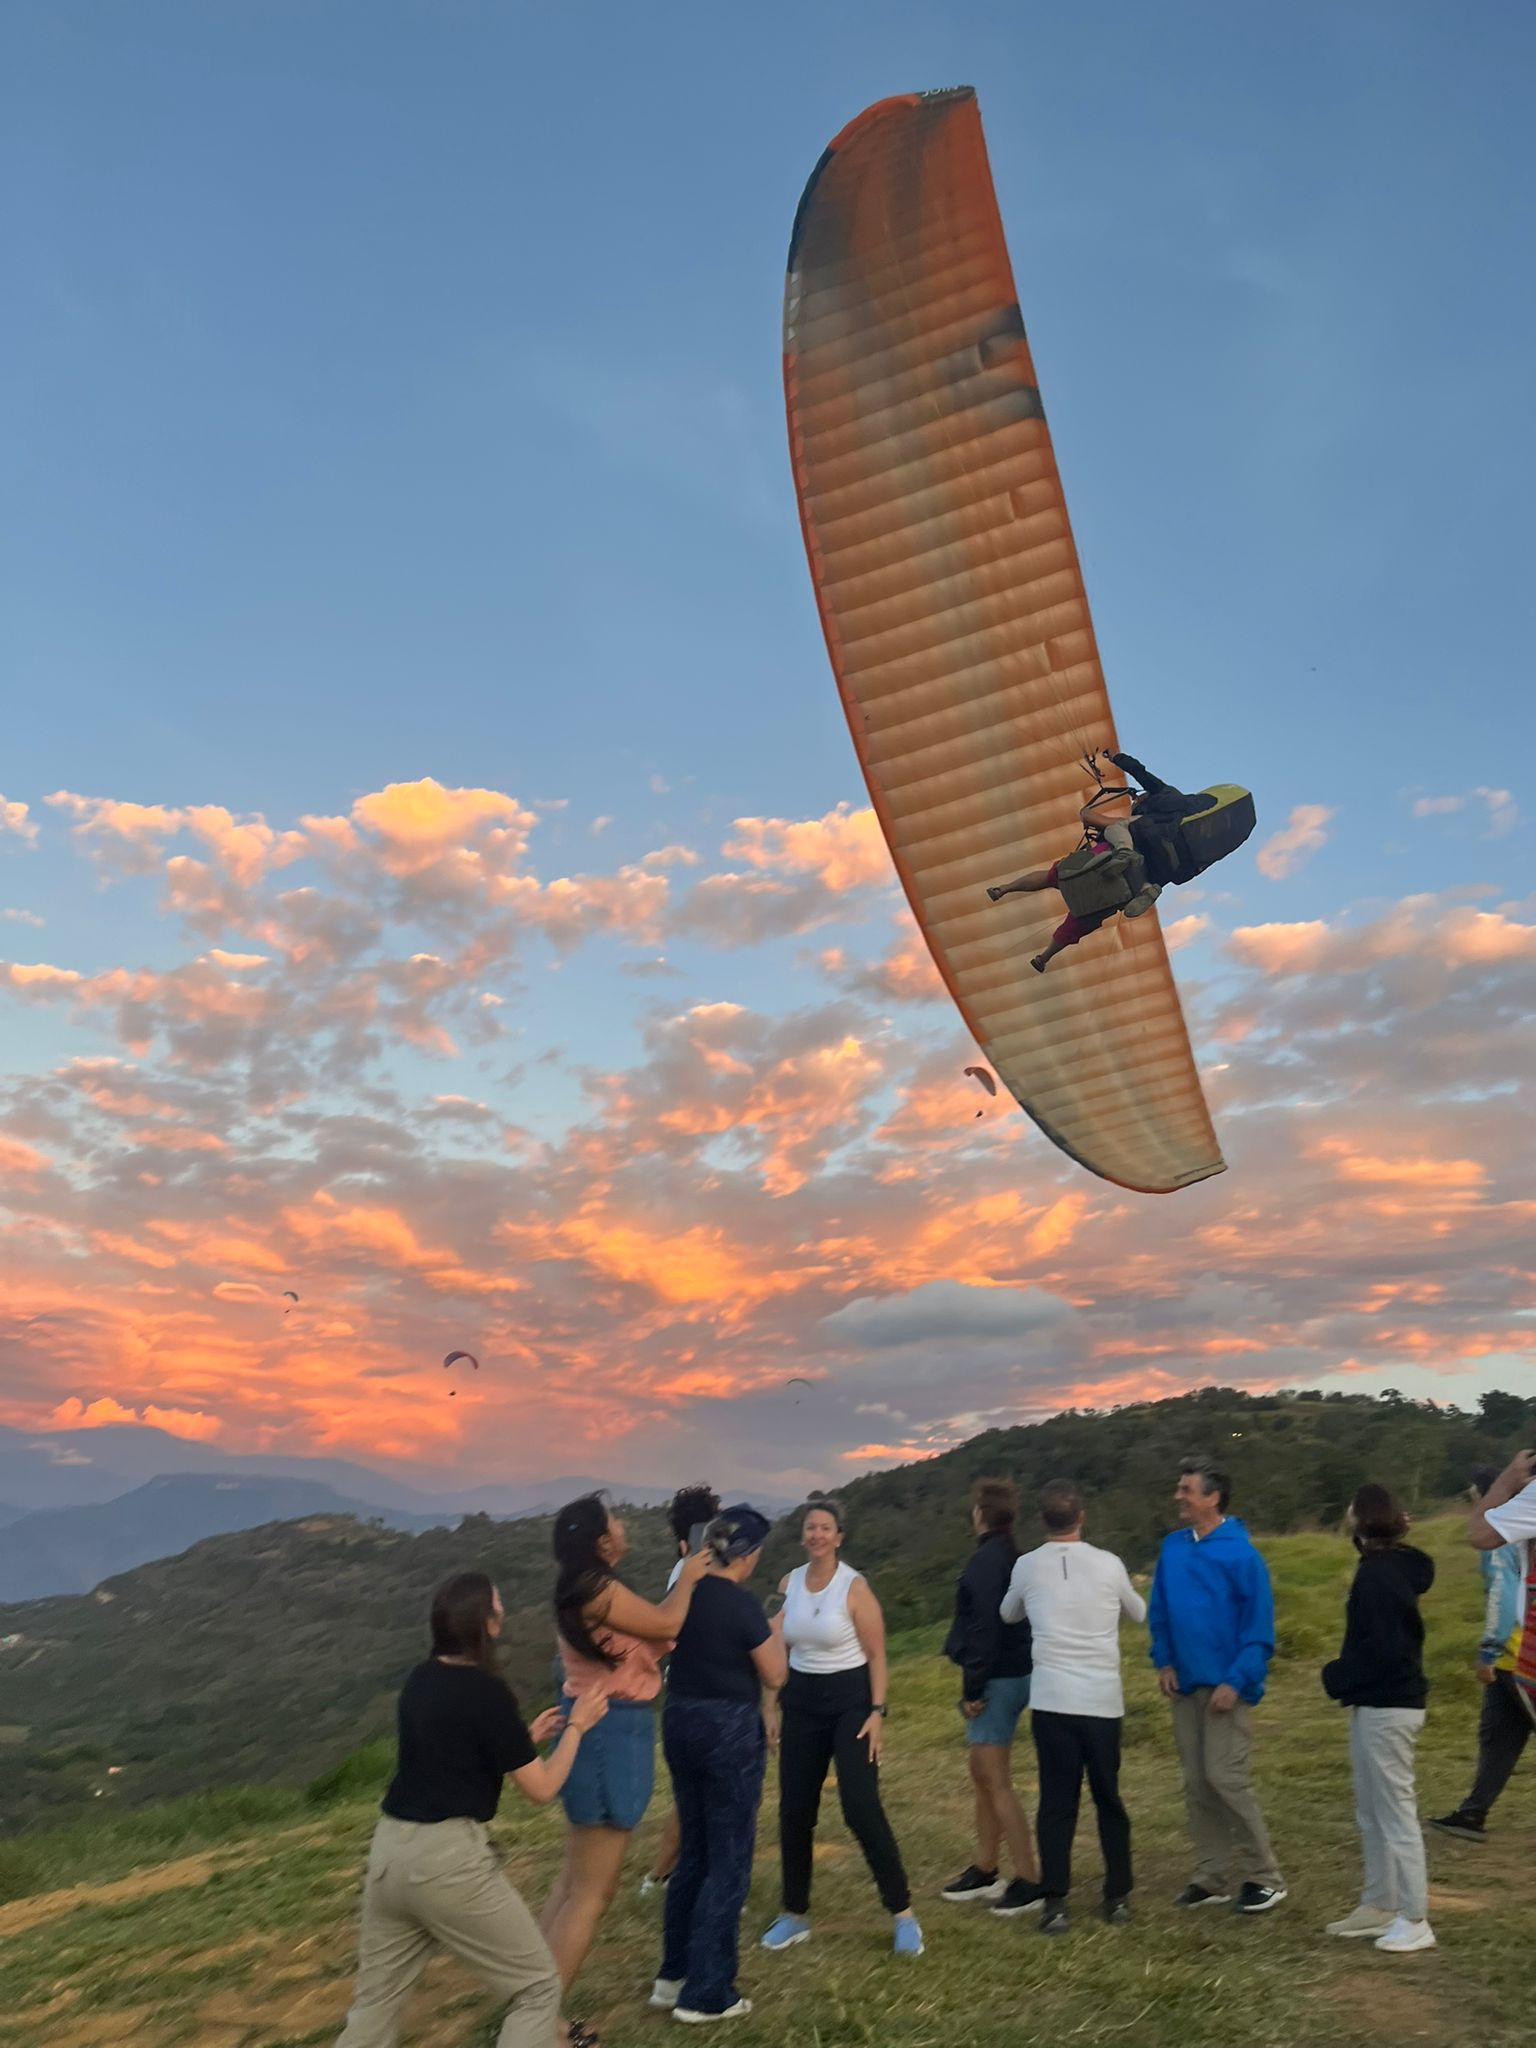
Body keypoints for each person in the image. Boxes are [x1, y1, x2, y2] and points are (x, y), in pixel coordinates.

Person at [334, 1571, 608, 2048]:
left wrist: (521, 1741)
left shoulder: (421, 1679)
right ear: (486, 1623)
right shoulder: (486, 1692)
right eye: (498, 1606)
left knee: (375, 2003)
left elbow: (451, 1755)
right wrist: (578, 1728)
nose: (503, 1613)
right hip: (447, 1864)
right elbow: (541, 1788)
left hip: (390, 1855)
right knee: (536, 1987)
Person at [540, 1495, 710, 2000]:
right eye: (614, 1519)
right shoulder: (595, 1589)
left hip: (604, 1733)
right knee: (590, 1893)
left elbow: (650, 1633)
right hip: (607, 1736)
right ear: (601, 1540)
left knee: (573, 1883)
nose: (623, 1523)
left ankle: (528, 2001)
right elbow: (665, 1625)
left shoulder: (592, 1587)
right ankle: (540, 2021)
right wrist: (688, 1577)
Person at [760, 1499, 923, 1958]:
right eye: (810, 1528)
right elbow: (775, 1647)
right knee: (794, 1809)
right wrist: (769, 1705)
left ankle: (903, 1914)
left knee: (860, 1806)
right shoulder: (787, 1584)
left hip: (851, 1703)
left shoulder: (854, 1588)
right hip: (801, 1703)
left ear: (839, 1536)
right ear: (803, 1535)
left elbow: (877, 1655)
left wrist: (877, 1711)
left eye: (825, 1528)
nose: (817, 1535)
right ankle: (794, 1913)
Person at [650, 1506, 787, 2025]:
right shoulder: (741, 1604)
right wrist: (772, 1631)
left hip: (679, 1718)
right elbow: (773, 1674)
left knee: (695, 1852)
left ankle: (673, 1974)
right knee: (728, 1858)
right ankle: (708, 1991)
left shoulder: (686, 1594)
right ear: (747, 1556)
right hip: (727, 1729)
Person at [999, 1481, 1146, 1935]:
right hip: (1102, 1699)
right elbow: (1139, 1613)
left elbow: (1009, 1614)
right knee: (1108, 1799)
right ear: (1081, 1517)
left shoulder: (1026, 1565)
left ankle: (1056, 1903)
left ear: (1043, 1521)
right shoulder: (1108, 1563)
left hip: (1052, 1699)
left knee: (1057, 1802)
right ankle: (1117, 1895)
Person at [1148, 1457, 1287, 1913]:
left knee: (1225, 1778)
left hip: (1227, 1687)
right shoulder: (1173, 1548)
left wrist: (1237, 1680)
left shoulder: (1242, 1554)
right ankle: (1211, 1876)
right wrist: (1164, 1660)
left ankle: (1265, 1875)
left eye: (1186, 1489)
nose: (1178, 1497)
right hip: (1184, 1685)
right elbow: (1161, 1611)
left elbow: (1259, 1629)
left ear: (1213, 1497)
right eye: (1179, 1488)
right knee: (1196, 1783)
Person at [1321, 1485, 1437, 1954]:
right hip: (1378, 1704)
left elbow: (1385, 1651)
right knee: (1371, 1809)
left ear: (1360, 1520)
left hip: (1389, 1705)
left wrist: (1336, 1675)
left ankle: (1415, 1917)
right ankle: (1378, 1905)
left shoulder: (1377, 1576)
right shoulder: (1391, 1569)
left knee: (1394, 1813)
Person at [986, 748, 1223, 974]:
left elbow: (1140, 773)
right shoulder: (1194, 831)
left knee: (1055, 875)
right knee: (1083, 919)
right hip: (1144, 878)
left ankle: (1004, 889)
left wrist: (1114, 758)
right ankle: (1044, 957)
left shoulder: (1161, 798)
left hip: (1120, 850)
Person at [940, 1478, 1043, 1913]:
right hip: (1015, 1671)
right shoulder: (1010, 1555)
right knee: (982, 1773)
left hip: (996, 1678)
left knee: (994, 1777)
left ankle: (1029, 1878)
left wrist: (973, 1688)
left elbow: (985, 1626)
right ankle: (985, 1867)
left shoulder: (986, 1561)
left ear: (980, 1514)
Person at [1428, 1465, 1532, 1841]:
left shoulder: (1503, 1536)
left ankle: (1473, 1812)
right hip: (1518, 1652)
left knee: (1499, 1735)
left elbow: (1502, 1597)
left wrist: (1488, 1651)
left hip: (1517, 1654)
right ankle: (1473, 1813)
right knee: (1499, 1737)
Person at [641, 1484, 722, 1899]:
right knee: (699, 1797)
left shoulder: (688, 1574)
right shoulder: (692, 1578)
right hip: (698, 1697)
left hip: (691, 1695)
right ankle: (661, 1875)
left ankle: (668, 1875)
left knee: (696, 1794)